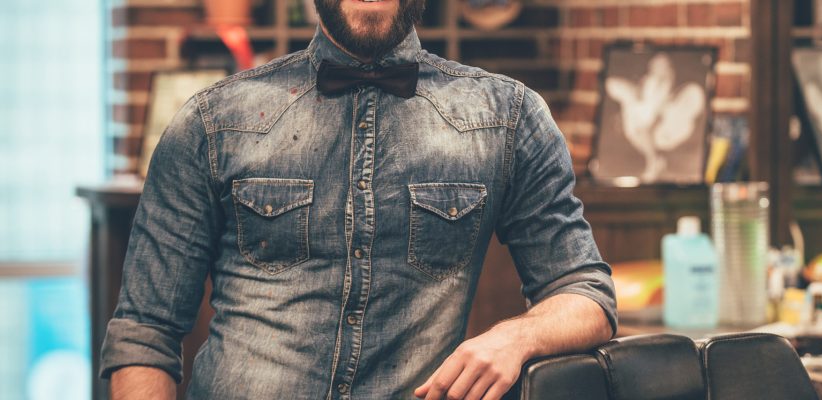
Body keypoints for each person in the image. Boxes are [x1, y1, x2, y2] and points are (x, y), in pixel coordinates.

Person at [100, 0, 617, 399]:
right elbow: (145, 331)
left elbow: (585, 292)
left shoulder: (508, 118)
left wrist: (515, 338)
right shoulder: (211, 123)